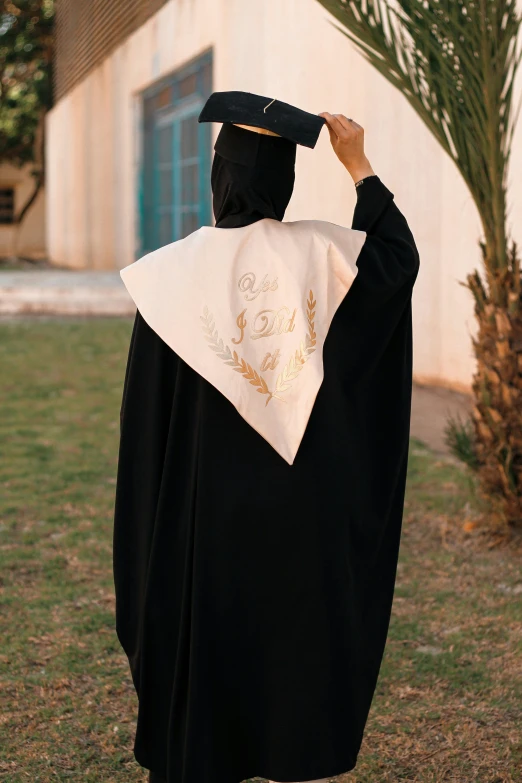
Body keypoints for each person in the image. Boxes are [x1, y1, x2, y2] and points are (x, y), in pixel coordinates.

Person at [113, 91, 420, 783]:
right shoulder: (326, 257)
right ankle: (293, 752)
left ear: (219, 178)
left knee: (211, 660)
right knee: (294, 657)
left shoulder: (168, 276)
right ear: (280, 184)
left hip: (202, 529)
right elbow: (397, 261)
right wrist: (359, 167)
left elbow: (147, 429)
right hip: (302, 524)